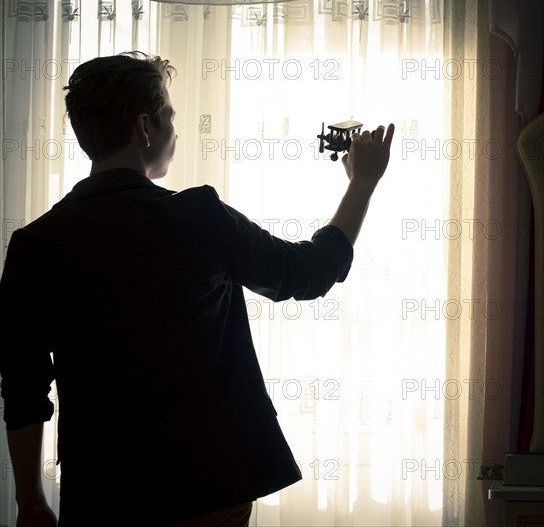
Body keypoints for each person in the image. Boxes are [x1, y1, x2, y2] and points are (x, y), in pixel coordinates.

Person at [0, 51, 395, 527]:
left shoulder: (35, 244)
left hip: (101, 495)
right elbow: (307, 272)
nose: (176, 128)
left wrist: (29, 501)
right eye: (169, 115)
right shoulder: (199, 217)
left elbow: (22, 386)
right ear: (145, 127)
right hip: (208, 490)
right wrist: (363, 184)